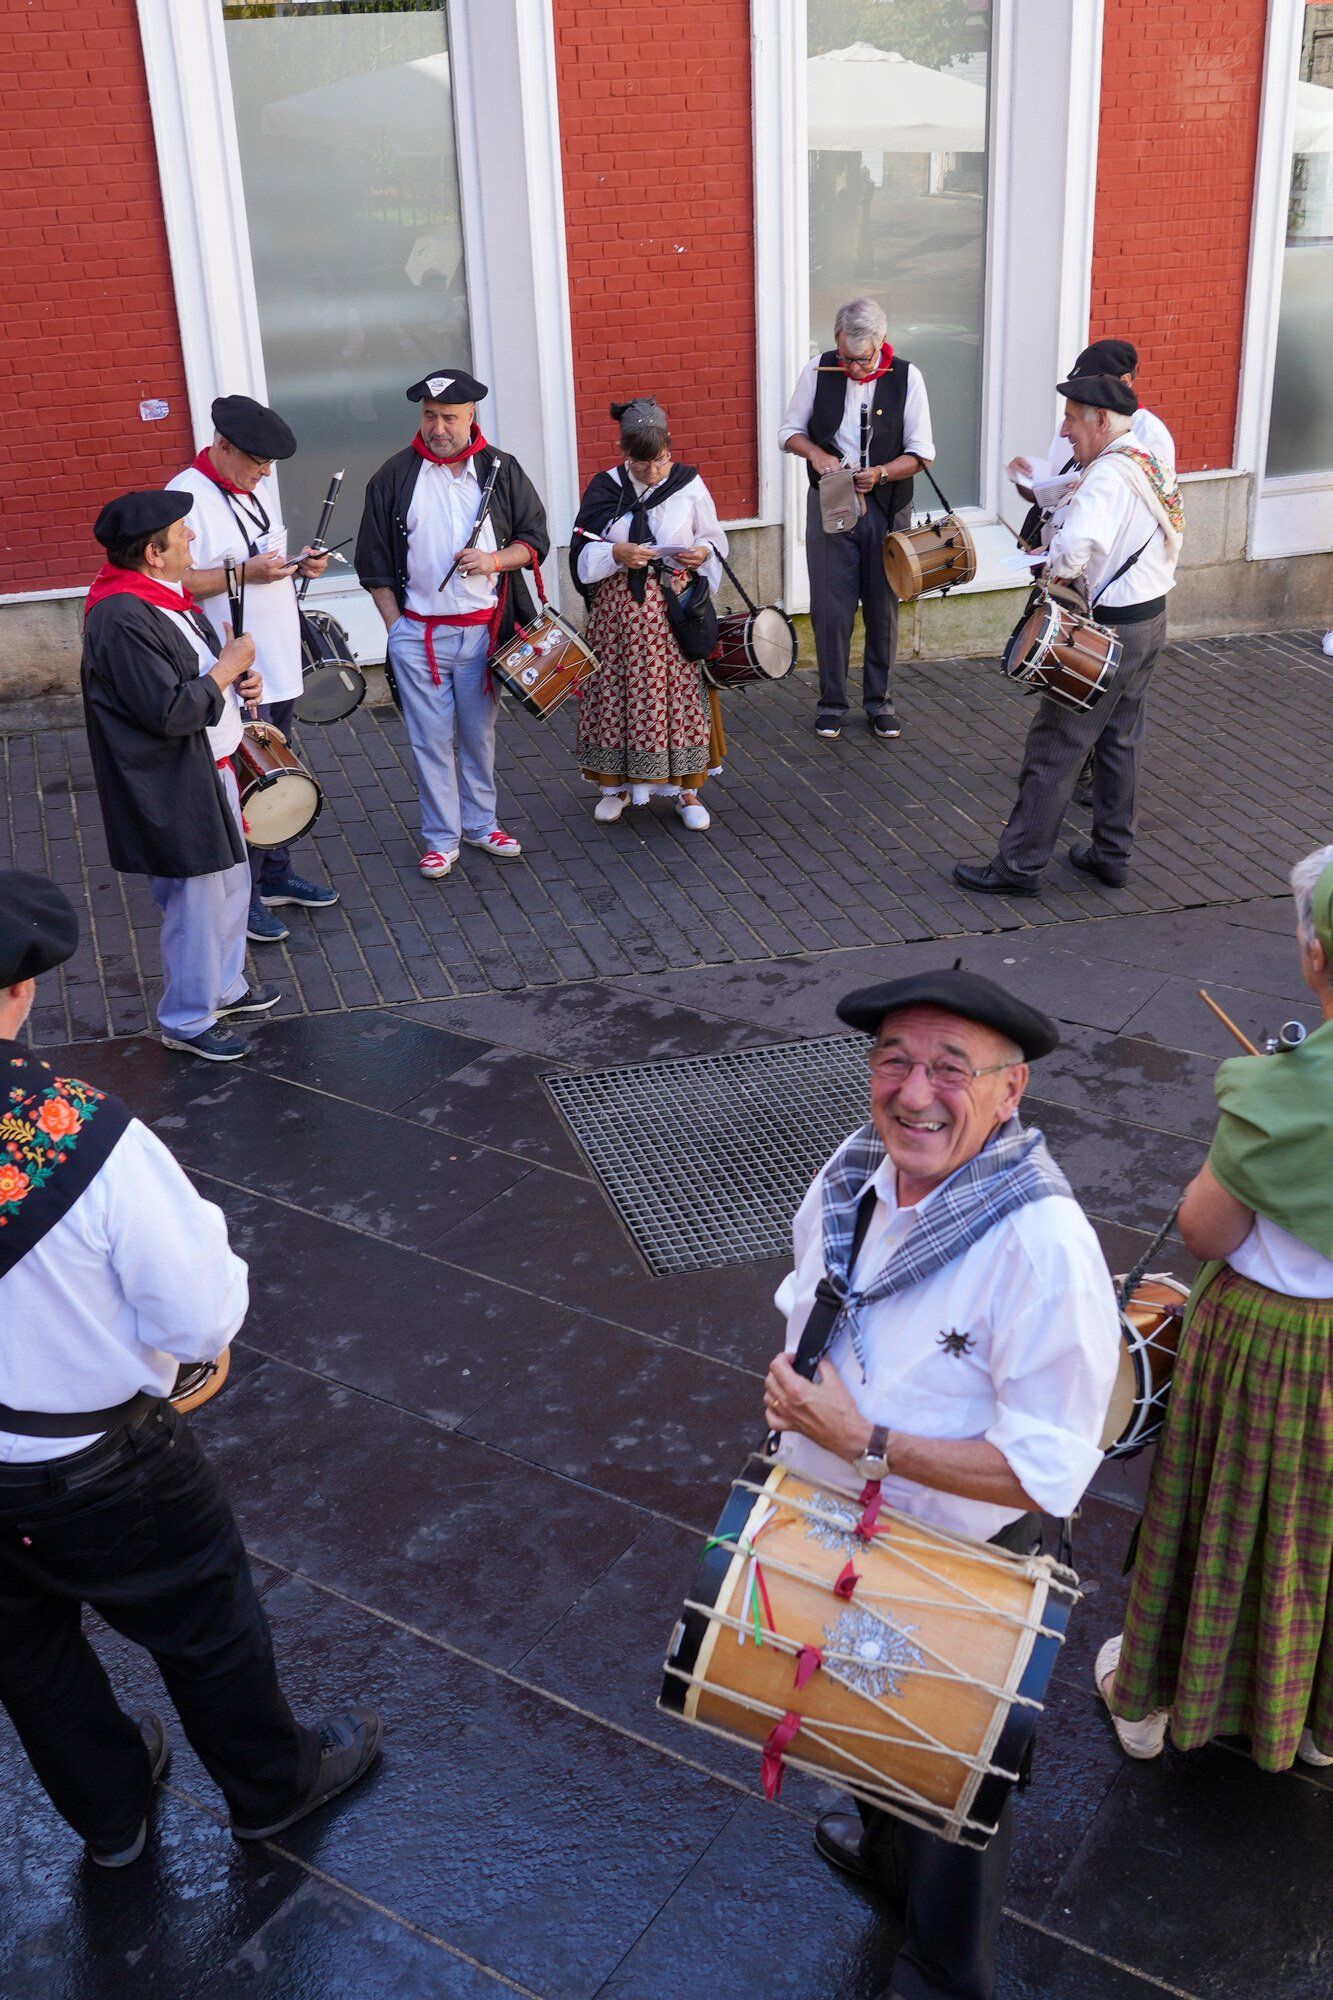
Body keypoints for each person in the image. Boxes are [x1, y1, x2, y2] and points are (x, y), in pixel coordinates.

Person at [0, 869, 382, 1866]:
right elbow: (202, 1314)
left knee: (27, 1657)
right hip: (102, 1465)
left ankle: (112, 1812)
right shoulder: (85, 1134)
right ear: (18, 992)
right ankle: (270, 1786)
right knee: (205, 1621)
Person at [763, 967, 1120, 2000]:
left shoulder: (1044, 1245)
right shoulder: (849, 1170)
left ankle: (944, 1965)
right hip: (838, 1522)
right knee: (857, 1713)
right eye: (894, 1060)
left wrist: (866, 1437)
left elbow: (1049, 1468)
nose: (914, 1091)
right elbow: (812, 1297)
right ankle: (883, 1859)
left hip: (963, 1552)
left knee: (954, 1786)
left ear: (1010, 1093)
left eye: (950, 1069)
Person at [1097, 843, 1333, 1775]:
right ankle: (1316, 1724)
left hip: (1264, 1341)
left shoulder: (1277, 1097)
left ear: (1314, 955)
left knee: (1223, 1512)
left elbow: (1202, 1233)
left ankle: (1152, 1700)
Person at [954, 373, 1184, 898]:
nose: (1065, 429)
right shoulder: (1146, 462)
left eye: (1073, 418)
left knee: (1056, 744)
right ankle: (1110, 853)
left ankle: (1019, 866)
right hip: (1150, 619)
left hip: (1110, 629)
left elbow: (1078, 545)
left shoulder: (1106, 477)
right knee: (1121, 738)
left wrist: (1051, 562)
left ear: (1102, 420)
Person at [80, 489, 279, 1062]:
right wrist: (224, 670)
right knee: (196, 898)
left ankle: (224, 986)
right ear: (152, 552)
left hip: (203, 766)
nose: (192, 538)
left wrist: (240, 687)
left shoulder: (158, 596)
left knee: (232, 883)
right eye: (182, 532)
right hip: (170, 779)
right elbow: (168, 713)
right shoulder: (122, 617)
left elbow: (195, 677)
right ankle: (188, 1017)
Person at [355, 367, 550, 880]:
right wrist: (396, 628)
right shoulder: (393, 477)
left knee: (478, 734)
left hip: (487, 632)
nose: (437, 428)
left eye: (448, 417)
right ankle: (442, 838)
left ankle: (482, 824)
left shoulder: (502, 470)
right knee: (429, 739)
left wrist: (494, 561)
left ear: (472, 416)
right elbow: (373, 563)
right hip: (419, 635)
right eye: (429, 416)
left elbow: (535, 539)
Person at [171, 393, 338, 945]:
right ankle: (241, 901)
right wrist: (245, 573)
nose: (265, 473)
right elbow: (180, 583)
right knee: (242, 782)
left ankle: (275, 876)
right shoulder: (186, 496)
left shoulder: (253, 486)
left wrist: (297, 566)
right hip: (232, 667)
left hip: (276, 659)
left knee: (278, 770)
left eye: (269, 465)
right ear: (222, 446)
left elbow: (266, 561)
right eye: (257, 462)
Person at [778, 297, 934, 742]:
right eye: (845, 358)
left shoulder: (908, 377)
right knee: (831, 609)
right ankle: (831, 704)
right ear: (836, 342)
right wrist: (819, 454)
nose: (853, 369)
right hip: (831, 501)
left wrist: (882, 473)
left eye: (862, 360)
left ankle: (880, 703)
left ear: (881, 344)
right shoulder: (817, 370)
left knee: (882, 608)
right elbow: (788, 432)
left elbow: (923, 451)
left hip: (887, 506)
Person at [569, 398, 728, 832]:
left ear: (669, 450)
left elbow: (714, 539)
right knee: (616, 696)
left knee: (677, 699)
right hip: (617, 619)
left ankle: (687, 790)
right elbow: (581, 552)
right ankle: (616, 787)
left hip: (674, 616)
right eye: (643, 465)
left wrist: (702, 554)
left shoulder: (689, 484)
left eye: (660, 461)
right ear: (625, 454)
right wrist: (616, 553)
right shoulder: (604, 487)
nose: (654, 473)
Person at [1007, 338, 1176, 533]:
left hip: (1089, 556)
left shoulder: (1150, 432)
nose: (1080, 395)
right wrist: (1025, 479)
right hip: (1051, 554)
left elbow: (1151, 510)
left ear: (1124, 382)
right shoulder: (1071, 424)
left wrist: (1089, 490)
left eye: (1088, 385)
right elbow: (1048, 494)